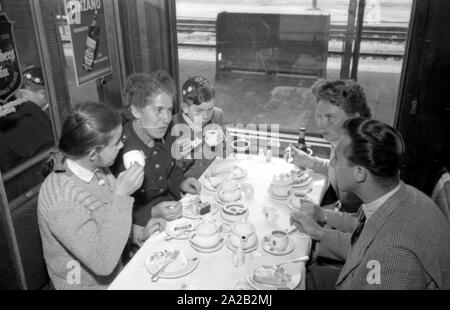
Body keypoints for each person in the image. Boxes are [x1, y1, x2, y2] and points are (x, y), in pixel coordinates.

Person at [292, 118, 450, 289]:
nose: (331, 163)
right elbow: (364, 245)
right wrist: (318, 232)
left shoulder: (394, 255)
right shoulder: (399, 196)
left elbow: (379, 254)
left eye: (336, 159)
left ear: (359, 173)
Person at [38, 102, 165, 290]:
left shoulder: (97, 167)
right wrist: (121, 196)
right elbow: (103, 263)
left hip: (118, 272)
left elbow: (107, 226)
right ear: (92, 154)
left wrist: (140, 234)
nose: (122, 145)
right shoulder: (61, 198)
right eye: (116, 143)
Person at [112, 71, 201, 246]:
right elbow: (113, 207)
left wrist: (182, 182)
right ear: (136, 111)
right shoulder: (118, 148)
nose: (166, 118)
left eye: (169, 110)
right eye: (158, 110)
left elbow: (171, 170)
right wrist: (152, 212)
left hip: (171, 214)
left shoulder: (166, 132)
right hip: (138, 230)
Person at [286, 79, 372, 227]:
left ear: (355, 119)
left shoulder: (368, 156)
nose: (321, 123)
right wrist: (309, 161)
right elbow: (337, 170)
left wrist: (323, 216)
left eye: (329, 117)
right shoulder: (342, 141)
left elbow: (366, 227)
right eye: (318, 116)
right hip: (341, 213)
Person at [172, 76, 227, 178]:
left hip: (215, 175)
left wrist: (222, 141)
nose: (205, 116)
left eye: (210, 109)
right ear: (185, 108)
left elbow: (224, 150)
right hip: (188, 185)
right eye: (198, 111)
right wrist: (183, 157)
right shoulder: (171, 127)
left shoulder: (217, 115)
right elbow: (169, 174)